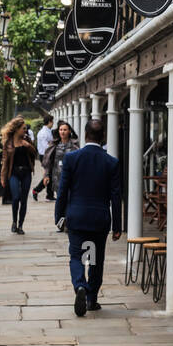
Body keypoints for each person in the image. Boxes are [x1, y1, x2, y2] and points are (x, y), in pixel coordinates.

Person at [54, 117, 122, 316]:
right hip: (99, 219)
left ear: (84, 135)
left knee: (77, 255)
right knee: (94, 259)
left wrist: (59, 216)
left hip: (76, 217)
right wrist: (118, 225)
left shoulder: (72, 158)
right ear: (103, 137)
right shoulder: (111, 162)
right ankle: (91, 299)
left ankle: (80, 286)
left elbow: (62, 190)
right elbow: (116, 197)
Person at [0, 116, 37, 235]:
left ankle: (20, 225)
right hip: (14, 173)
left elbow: (35, 153)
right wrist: (3, 177)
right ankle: (14, 222)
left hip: (26, 172)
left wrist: (29, 146)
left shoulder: (27, 140)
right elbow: (5, 161)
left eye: (25, 128)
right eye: (23, 128)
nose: (25, 130)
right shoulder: (8, 143)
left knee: (24, 199)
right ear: (16, 129)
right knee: (15, 197)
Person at [43, 121, 78, 218]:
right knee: (60, 199)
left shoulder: (75, 146)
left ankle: (68, 221)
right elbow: (48, 162)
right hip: (57, 177)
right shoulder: (54, 145)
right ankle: (60, 221)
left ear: (69, 131)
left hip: (71, 178)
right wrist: (46, 175)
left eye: (65, 130)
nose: (62, 132)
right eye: (61, 130)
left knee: (70, 199)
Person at [33, 115, 54, 200]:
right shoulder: (43, 133)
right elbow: (46, 147)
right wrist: (51, 144)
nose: (53, 123)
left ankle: (50, 194)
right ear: (49, 122)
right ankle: (36, 190)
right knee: (49, 175)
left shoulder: (48, 131)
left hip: (48, 154)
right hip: (45, 156)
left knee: (51, 174)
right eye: (52, 121)